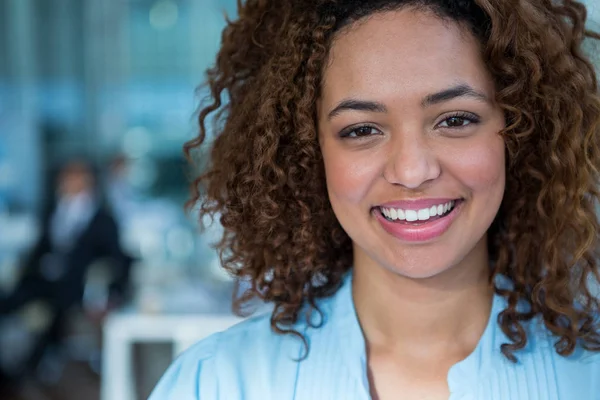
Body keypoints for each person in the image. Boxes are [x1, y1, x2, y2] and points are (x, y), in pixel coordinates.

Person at [150, 0, 600, 399]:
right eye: (362, 130)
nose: (411, 171)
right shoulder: (217, 385)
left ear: (520, 131)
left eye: (456, 119)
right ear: (307, 151)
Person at [0, 159, 132, 377]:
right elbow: (39, 249)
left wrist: (109, 290)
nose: (67, 182)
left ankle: (29, 367)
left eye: (74, 176)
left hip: (76, 286)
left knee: (49, 312)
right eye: (65, 176)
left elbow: (116, 259)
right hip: (42, 280)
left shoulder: (102, 218)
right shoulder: (53, 211)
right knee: (10, 301)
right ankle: (13, 367)